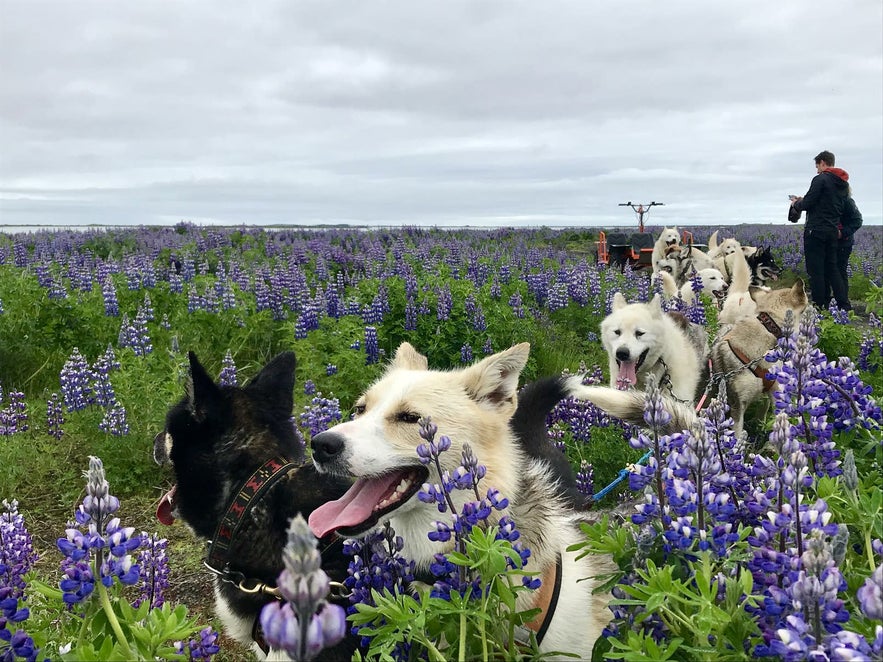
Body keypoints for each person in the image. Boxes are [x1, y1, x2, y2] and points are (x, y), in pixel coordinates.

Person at [789, 150, 852, 311]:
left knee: (816, 271)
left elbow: (808, 203)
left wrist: (797, 203)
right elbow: (828, 203)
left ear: (823, 163)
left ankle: (819, 306)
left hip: (815, 231)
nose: (817, 170)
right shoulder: (842, 183)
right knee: (832, 269)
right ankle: (843, 304)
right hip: (832, 231)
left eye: (818, 166)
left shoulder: (820, 179)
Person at [834, 191, 863, 301]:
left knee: (840, 271)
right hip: (828, 243)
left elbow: (857, 221)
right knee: (827, 272)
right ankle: (829, 302)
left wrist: (842, 233)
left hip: (843, 243)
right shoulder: (826, 200)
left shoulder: (847, 200)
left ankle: (842, 302)